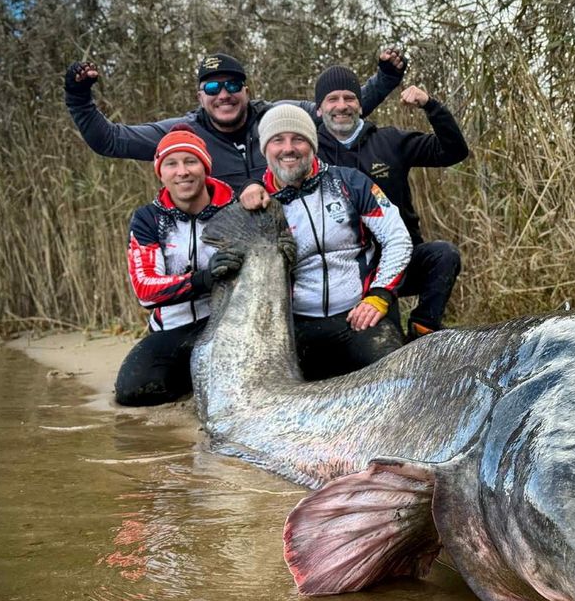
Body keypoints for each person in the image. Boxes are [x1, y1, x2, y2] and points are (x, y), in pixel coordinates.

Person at [242, 64, 468, 339]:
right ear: (318, 109)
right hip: (346, 264)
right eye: (332, 99)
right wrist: (251, 185)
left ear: (361, 105)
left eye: (349, 98)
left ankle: (423, 330)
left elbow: (454, 151)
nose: (341, 106)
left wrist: (431, 105)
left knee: (443, 255)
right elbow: (274, 165)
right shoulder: (306, 151)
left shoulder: (390, 141)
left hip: (395, 251)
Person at [63, 50, 407, 191]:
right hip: (225, 251)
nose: (223, 94)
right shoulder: (183, 132)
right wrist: (79, 97)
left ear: (246, 89)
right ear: (200, 95)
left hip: (291, 242)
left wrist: (386, 77)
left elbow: (337, 112)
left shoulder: (278, 116)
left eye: (232, 84)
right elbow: (110, 141)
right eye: (212, 86)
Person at [252, 104, 413, 380]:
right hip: (295, 327)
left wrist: (380, 295)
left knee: (395, 377)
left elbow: (397, 237)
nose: (288, 148)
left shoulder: (350, 182)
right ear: (265, 149)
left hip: (358, 316)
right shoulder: (256, 203)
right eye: (278, 140)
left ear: (312, 145)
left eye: (298, 139)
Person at [115, 126, 240, 406]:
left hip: (225, 327)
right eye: (171, 164)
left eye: (191, 161)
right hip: (172, 330)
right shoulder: (148, 219)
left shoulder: (234, 210)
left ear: (205, 167)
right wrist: (204, 280)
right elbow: (145, 290)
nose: (182, 171)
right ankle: (190, 382)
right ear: (161, 173)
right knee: (132, 391)